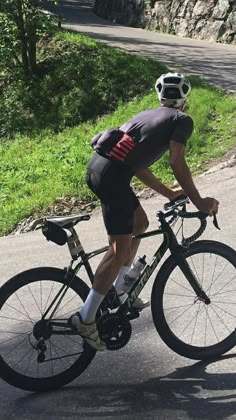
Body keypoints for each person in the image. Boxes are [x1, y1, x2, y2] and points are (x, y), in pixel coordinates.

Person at [71, 72, 219, 351]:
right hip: (112, 179)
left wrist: (170, 193)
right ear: (185, 99)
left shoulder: (149, 116)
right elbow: (177, 161)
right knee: (118, 251)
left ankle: (121, 289)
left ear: (160, 96)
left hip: (103, 171)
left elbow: (137, 165)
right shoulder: (181, 120)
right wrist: (198, 201)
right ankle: (86, 317)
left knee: (140, 222)